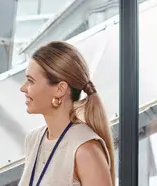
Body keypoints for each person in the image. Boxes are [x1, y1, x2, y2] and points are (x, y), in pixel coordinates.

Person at [18, 41, 115, 186]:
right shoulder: (34, 140)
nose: (22, 88)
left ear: (60, 89)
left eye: (30, 81)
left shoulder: (85, 150)